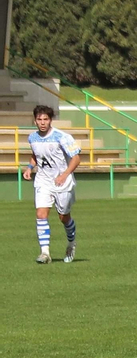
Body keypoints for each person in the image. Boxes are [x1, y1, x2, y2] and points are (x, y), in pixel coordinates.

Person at [24, 105, 80, 265]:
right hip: (43, 181)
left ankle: (71, 242)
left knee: (64, 217)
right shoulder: (32, 138)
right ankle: (45, 253)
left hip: (62, 182)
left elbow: (76, 158)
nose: (42, 122)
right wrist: (29, 168)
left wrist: (64, 175)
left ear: (50, 120)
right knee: (41, 214)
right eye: (39, 119)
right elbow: (36, 155)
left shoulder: (62, 137)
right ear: (35, 121)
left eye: (46, 119)